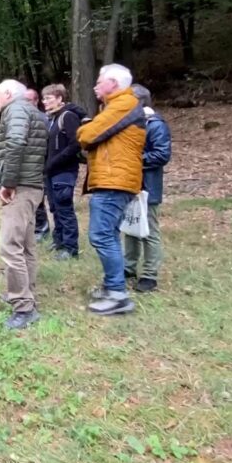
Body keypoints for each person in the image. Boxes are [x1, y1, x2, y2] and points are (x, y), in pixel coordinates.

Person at [76, 64, 146, 316]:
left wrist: (85, 128)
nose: (95, 86)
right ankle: (111, 287)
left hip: (114, 182)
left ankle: (118, 295)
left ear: (113, 83)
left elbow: (87, 134)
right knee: (109, 235)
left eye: (99, 81)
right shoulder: (115, 106)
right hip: (112, 180)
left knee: (101, 235)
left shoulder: (123, 104)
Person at [0, 79, 48, 330]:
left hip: (21, 187)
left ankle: (23, 307)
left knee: (10, 246)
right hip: (32, 185)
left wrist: (8, 182)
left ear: (9, 94)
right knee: (26, 245)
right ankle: (24, 292)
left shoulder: (16, 110)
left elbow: (15, 142)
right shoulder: (33, 111)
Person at [124, 84, 172, 293]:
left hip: (148, 186)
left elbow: (162, 155)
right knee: (130, 227)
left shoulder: (155, 125)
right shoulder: (131, 123)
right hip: (129, 184)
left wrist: (133, 160)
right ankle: (128, 268)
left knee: (149, 231)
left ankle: (150, 275)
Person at [41, 84, 86, 260]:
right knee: (55, 208)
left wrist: (54, 162)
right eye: (43, 98)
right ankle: (58, 241)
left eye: (49, 98)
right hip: (51, 172)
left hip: (64, 172)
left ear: (60, 98)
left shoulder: (68, 117)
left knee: (64, 209)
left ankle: (70, 248)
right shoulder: (52, 118)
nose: (45, 102)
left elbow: (75, 144)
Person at [25, 88, 51, 242]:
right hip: (27, 165)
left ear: (36, 101)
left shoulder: (44, 119)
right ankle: (32, 227)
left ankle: (42, 228)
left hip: (42, 165)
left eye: (29, 100)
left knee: (39, 198)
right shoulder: (21, 118)